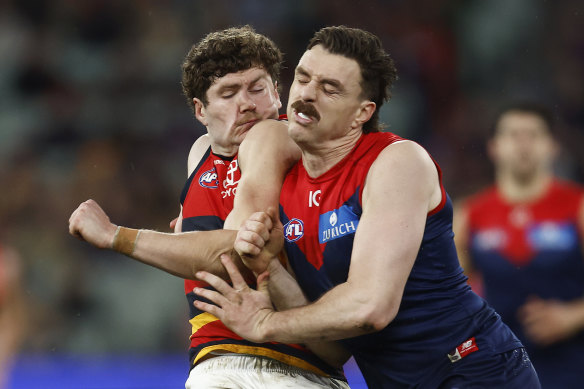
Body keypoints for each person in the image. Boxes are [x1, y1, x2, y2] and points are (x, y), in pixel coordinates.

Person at [191, 26, 542, 388]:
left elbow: (369, 307)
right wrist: (271, 269)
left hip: (470, 368)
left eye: (330, 89)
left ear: (362, 113)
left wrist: (265, 324)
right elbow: (332, 348)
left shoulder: (396, 162)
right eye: (303, 78)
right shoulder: (286, 181)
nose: (307, 95)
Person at [69, 26, 348, 388]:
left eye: (257, 88)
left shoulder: (275, 134)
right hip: (238, 363)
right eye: (228, 93)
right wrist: (191, 236)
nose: (246, 103)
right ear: (201, 110)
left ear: (277, 94)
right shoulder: (200, 153)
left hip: (282, 364)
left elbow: (233, 252)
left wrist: (115, 236)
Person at [453, 102, 584, 389]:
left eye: (533, 135)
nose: (523, 144)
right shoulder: (470, 215)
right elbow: (448, 296)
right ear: (494, 147)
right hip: (499, 369)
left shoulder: (577, 207)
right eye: (513, 135)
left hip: (572, 365)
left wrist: (573, 316)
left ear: (552, 146)